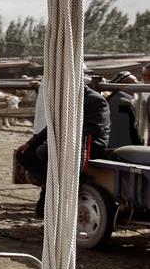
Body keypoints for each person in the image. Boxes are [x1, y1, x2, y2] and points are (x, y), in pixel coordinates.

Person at [14, 76, 112, 218]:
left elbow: (94, 129)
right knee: (25, 154)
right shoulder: (67, 100)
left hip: (91, 144)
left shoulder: (95, 100)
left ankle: (57, 189)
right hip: (68, 141)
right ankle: (51, 185)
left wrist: (63, 139)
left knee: (46, 151)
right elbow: (52, 126)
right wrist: (31, 143)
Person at [106, 72, 143, 148]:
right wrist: (140, 143)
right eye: (135, 84)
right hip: (122, 147)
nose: (138, 87)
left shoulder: (111, 98)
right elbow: (132, 130)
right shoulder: (124, 103)